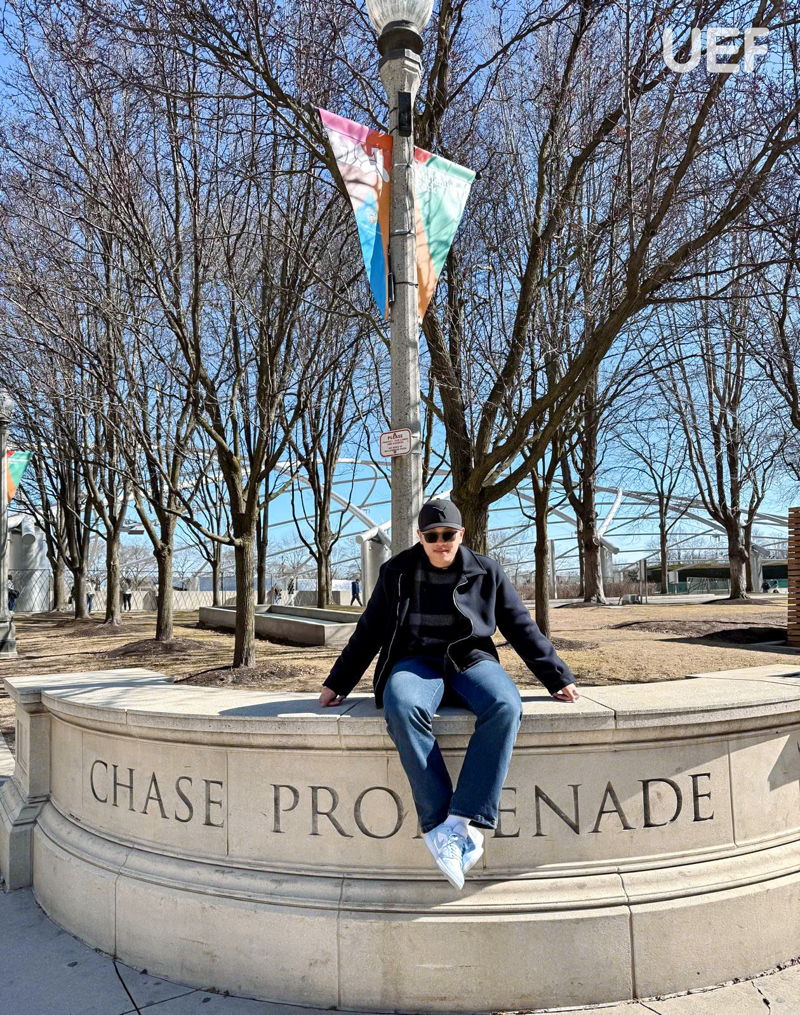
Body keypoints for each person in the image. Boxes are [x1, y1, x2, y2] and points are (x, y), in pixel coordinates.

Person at [319, 498, 579, 890]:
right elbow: (369, 630)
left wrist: (556, 675)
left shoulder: (486, 571)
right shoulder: (397, 571)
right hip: (415, 661)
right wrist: (338, 682)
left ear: (461, 534)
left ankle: (461, 821)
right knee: (402, 706)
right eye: (432, 536)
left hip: (470, 659)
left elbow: (520, 625)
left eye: (449, 534)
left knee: (505, 705)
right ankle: (438, 822)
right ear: (420, 537)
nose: (441, 542)